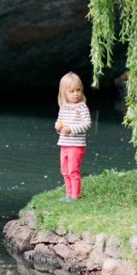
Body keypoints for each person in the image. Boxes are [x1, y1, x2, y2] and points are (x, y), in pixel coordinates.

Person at [54, 71, 91, 200]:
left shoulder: (82, 107)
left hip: (76, 145)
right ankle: (68, 194)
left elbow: (86, 124)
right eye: (72, 91)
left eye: (78, 90)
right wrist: (58, 126)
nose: (76, 94)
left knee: (72, 171)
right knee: (64, 171)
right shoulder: (63, 107)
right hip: (64, 144)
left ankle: (75, 196)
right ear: (64, 93)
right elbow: (59, 122)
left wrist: (70, 129)